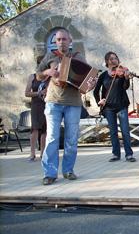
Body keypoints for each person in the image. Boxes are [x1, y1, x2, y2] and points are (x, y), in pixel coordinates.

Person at [36, 28, 96, 185]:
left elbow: (88, 78)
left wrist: (91, 83)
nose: (61, 42)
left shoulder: (78, 57)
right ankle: (50, 173)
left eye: (64, 39)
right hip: (53, 101)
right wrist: (48, 71)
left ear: (70, 41)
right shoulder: (50, 56)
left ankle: (68, 170)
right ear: (56, 42)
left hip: (74, 103)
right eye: (58, 40)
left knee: (71, 139)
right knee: (52, 138)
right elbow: (38, 74)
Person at [93, 51, 136, 163]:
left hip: (122, 105)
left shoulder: (121, 72)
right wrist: (99, 101)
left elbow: (125, 87)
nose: (114, 60)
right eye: (111, 58)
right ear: (107, 61)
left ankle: (129, 154)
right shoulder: (103, 76)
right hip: (108, 107)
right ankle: (116, 154)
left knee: (125, 130)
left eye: (116, 58)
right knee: (113, 132)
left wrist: (126, 78)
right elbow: (96, 91)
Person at [24, 55, 48, 161]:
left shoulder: (49, 78)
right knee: (34, 129)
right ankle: (32, 153)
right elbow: (27, 93)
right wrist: (39, 93)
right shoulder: (32, 77)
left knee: (44, 130)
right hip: (36, 105)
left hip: (47, 104)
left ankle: (43, 153)